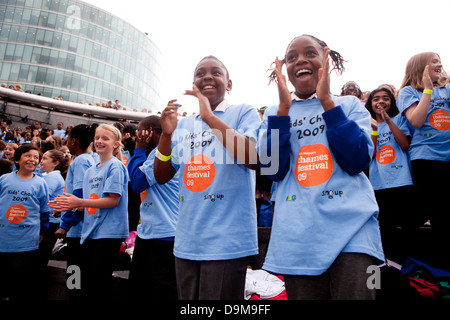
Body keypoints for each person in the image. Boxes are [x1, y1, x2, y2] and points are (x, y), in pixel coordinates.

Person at [258, 34, 384, 300]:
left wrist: (327, 101)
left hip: (356, 235)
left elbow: (358, 161)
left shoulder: (350, 105)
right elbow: (271, 170)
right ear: (284, 71)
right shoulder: (273, 112)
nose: (300, 60)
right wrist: (283, 110)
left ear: (325, 59)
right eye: (291, 57)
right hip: (298, 236)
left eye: (310, 53)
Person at [154, 55, 260, 300]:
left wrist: (209, 117)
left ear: (229, 84)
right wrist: (167, 136)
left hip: (227, 241)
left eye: (216, 72)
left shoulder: (244, 112)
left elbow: (254, 158)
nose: (208, 77)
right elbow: (162, 176)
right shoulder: (184, 125)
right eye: (200, 73)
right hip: (187, 241)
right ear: (194, 84)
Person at [50, 124, 129, 300]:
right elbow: (85, 200)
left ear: (116, 144)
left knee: (85, 279)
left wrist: (66, 221)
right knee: (82, 280)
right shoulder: (91, 167)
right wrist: (66, 205)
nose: (99, 141)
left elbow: (108, 199)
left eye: (105, 138)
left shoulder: (93, 163)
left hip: (90, 232)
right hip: (88, 231)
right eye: (97, 137)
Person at [396, 52, 450, 270]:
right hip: (427, 158)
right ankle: (439, 269)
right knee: (438, 213)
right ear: (421, 67)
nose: (440, 64)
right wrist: (428, 89)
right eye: (434, 61)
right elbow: (416, 121)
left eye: (440, 61)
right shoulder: (408, 92)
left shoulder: (447, 87)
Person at [128, 115, 179, 300]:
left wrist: (139, 150)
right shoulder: (154, 153)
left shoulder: (162, 152)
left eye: (140, 131)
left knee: (163, 290)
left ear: (150, 132)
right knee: (140, 287)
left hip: (164, 232)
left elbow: (137, 182)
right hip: (149, 231)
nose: (137, 136)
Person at [365, 87, 418, 265]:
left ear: (391, 102)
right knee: (386, 227)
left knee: (408, 225)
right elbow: (370, 155)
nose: (380, 102)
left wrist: (388, 122)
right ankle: (391, 265)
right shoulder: (366, 124)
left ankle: (413, 265)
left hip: (402, 180)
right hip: (379, 183)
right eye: (376, 99)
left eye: (385, 98)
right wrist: (374, 128)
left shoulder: (399, 119)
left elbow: (404, 144)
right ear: (370, 104)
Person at [0, 144, 50, 300]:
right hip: (3, 238)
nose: (33, 160)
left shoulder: (41, 183)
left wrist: (42, 231)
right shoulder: (4, 179)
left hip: (27, 239)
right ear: (17, 160)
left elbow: (44, 211)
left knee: (21, 280)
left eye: (36, 157)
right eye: (28, 156)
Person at [53, 124, 97, 299]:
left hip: (77, 230)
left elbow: (79, 194)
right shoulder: (93, 158)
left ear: (74, 141)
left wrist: (65, 224)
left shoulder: (80, 160)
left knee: (74, 273)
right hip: (85, 228)